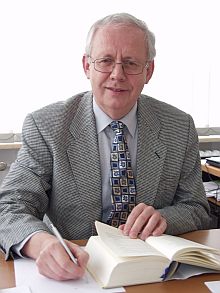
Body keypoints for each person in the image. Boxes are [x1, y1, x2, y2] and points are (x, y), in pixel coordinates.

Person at [0, 12, 210, 281]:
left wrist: (165, 218)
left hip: (152, 274)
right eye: (106, 61)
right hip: (76, 271)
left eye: (131, 63)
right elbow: (10, 207)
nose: (117, 74)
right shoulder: (47, 126)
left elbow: (197, 208)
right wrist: (41, 243)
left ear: (149, 71)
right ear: (87, 66)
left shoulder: (178, 126)